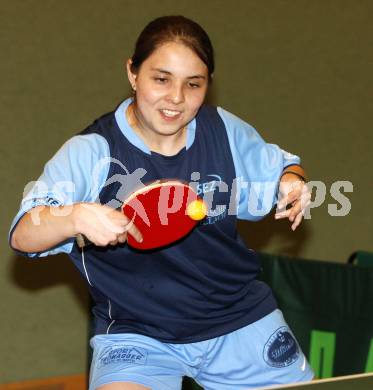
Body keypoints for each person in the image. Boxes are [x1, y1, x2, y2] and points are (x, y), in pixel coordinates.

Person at [9, 15, 313, 390]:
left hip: (238, 320)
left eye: (193, 84)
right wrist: (75, 215)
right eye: (161, 79)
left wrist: (292, 182)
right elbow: (24, 234)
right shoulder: (92, 152)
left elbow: (284, 165)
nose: (176, 98)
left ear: (208, 86)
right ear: (133, 73)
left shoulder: (223, 131)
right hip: (136, 334)